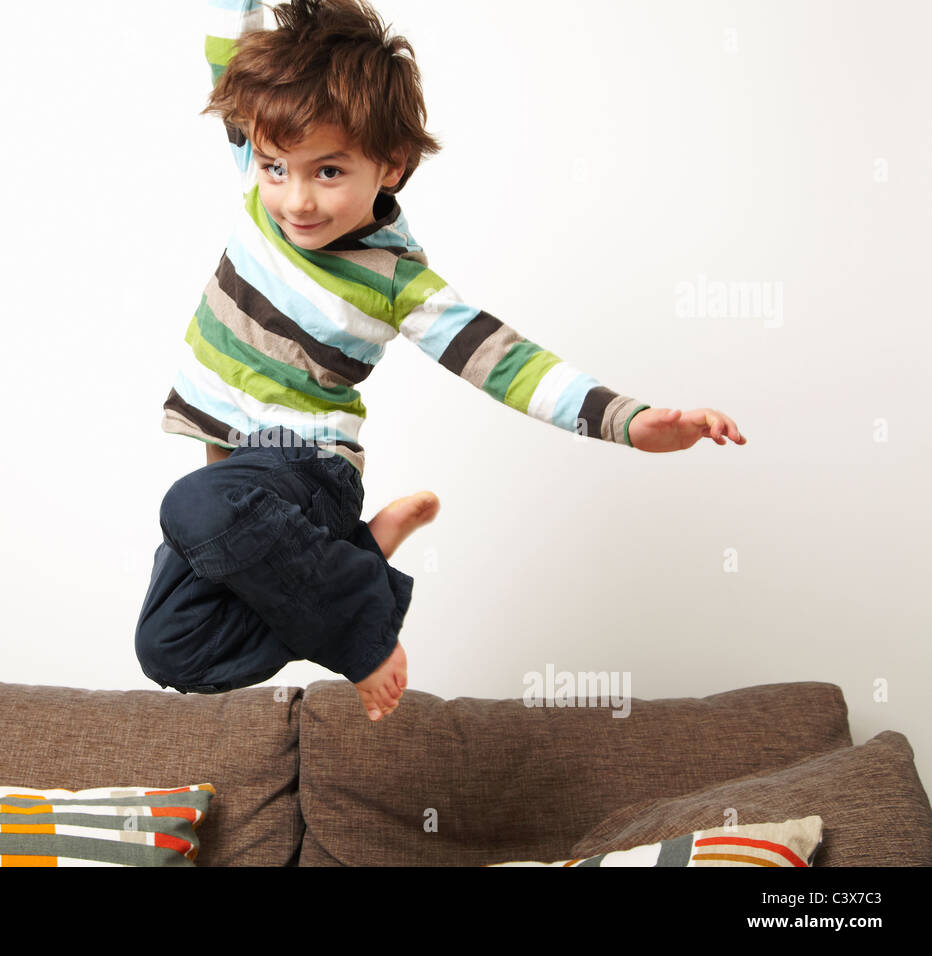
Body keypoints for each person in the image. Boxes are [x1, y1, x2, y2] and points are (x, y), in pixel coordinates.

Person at [136, 0, 746, 722]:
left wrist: (629, 420)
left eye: (328, 171)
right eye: (277, 168)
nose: (295, 200)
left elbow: (506, 361)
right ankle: (361, 557)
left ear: (389, 165)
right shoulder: (257, 172)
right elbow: (228, 55)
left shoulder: (397, 280)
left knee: (191, 503)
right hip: (244, 501)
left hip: (301, 470)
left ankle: (363, 625)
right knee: (169, 646)